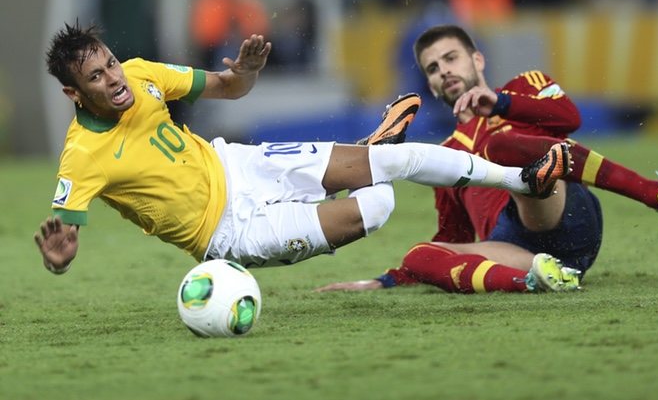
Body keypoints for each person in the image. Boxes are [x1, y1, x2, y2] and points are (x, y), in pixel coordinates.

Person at [33, 22, 576, 291]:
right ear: (74, 94)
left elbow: (230, 88)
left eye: (110, 64)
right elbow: (67, 235)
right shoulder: (83, 157)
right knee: (379, 204)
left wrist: (244, 69)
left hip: (241, 164)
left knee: (403, 158)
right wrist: (59, 259)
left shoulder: (142, 73)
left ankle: (521, 180)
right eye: (97, 77)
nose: (115, 79)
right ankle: (363, 156)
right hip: (230, 231)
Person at [317, 24, 658, 294]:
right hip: (517, 247)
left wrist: (501, 104)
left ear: (477, 60)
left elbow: (570, 117)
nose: (444, 70)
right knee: (418, 254)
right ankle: (538, 280)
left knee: (502, 148)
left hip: (559, 211)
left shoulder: (524, 87)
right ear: (428, 82)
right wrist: (382, 281)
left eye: (451, 58)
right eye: (433, 68)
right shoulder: (444, 156)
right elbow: (455, 237)